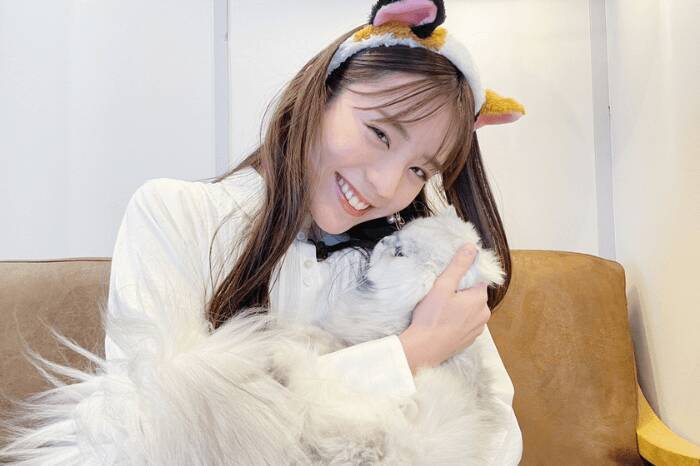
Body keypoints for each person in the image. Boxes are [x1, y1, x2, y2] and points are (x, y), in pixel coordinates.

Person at [1, 0, 525, 464]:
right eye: (379, 133)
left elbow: (500, 441)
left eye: (419, 170)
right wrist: (408, 355)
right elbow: (151, 431)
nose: (386, 185)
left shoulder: (421, 258)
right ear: (319, 96)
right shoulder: (176, 214)